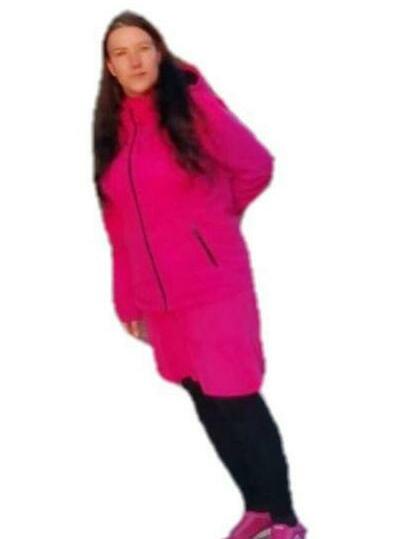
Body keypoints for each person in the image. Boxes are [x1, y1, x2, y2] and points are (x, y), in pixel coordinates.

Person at [93, 10, 308, 539]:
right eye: (121, 53)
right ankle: (257, 506)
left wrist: (212, 222)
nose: (134, 61)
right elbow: (117, 226)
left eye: (143, 48)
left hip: (213, 287)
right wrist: (127, 302)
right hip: (160, 298)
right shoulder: (112, 133)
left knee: (236, 397)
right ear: (110, 67)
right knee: (203, 397)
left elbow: (256, 165)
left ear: (160, 52)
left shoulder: (190, 109)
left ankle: (285, 518)